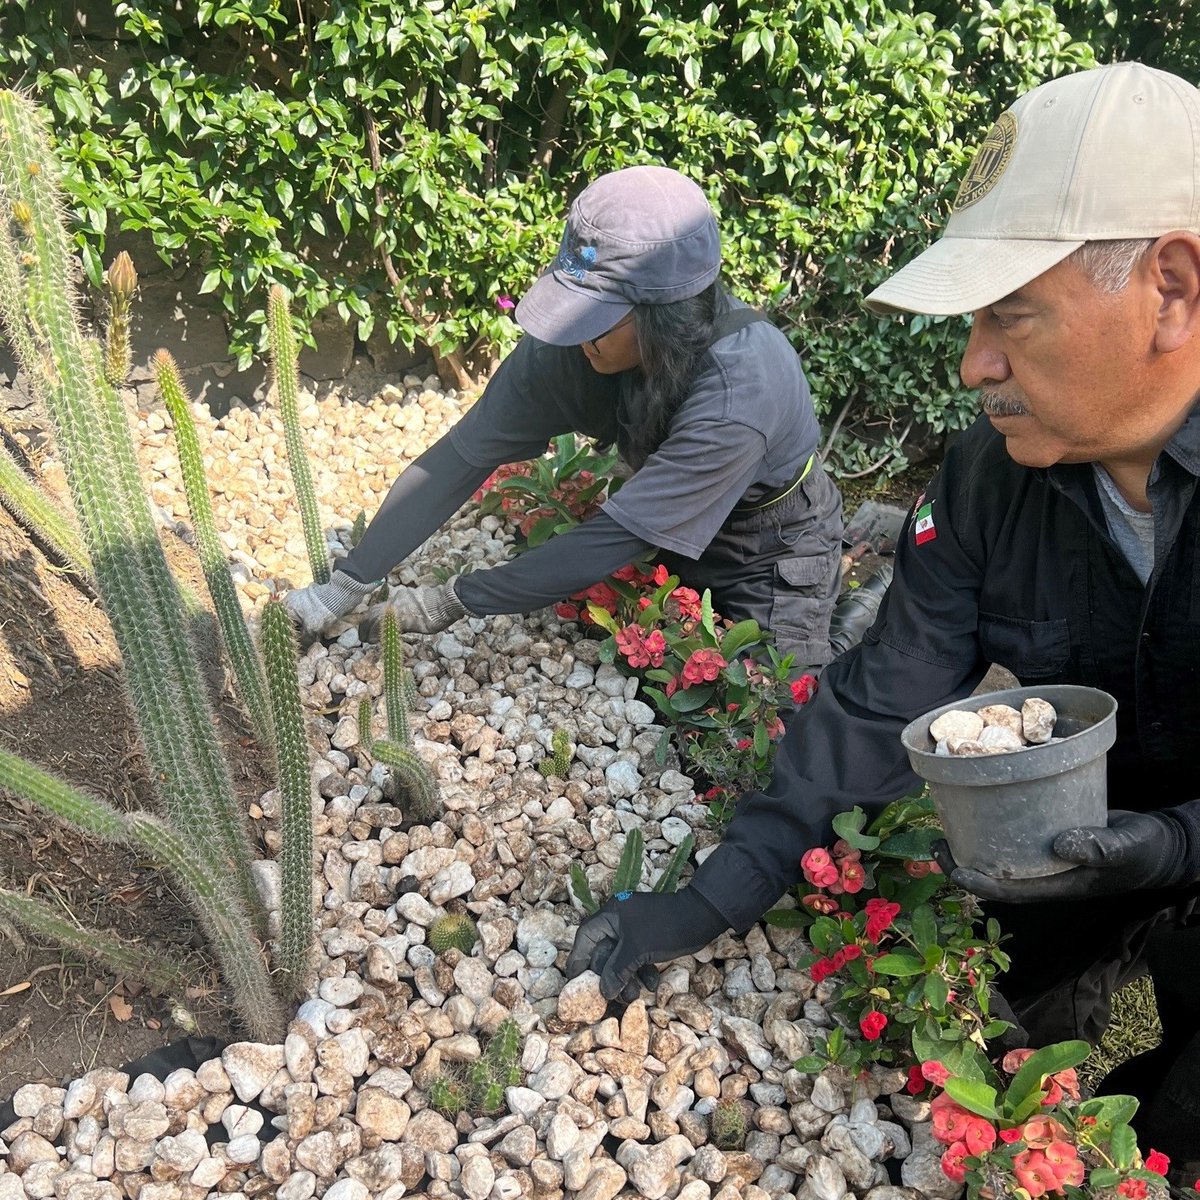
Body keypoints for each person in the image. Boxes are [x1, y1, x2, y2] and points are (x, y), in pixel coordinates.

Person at [566, 61, 1200, 1168]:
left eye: (1011, 315)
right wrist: (719, 894)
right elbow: (883, 694)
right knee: (1064, 1043)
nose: (973, 364)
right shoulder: (991, 480)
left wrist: (1176, 846)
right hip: (1094, 858)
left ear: (1173, 289)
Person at [284, 164, 878, 672]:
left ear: (663, 317)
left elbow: (619, 538)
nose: (577, 334)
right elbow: (463, 456)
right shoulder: (573, 345)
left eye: (598, 317)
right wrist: (346, 583)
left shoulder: (739, 391)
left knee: (775, 713)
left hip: (768, 544)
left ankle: (866, 607)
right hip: (669, 526)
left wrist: (451, 600)